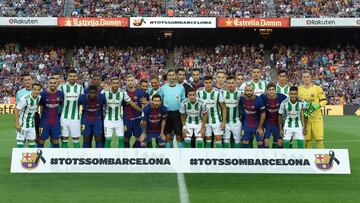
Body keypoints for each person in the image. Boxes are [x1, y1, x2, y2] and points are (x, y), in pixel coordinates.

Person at [103, 77, 142, 148]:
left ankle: (120, 156)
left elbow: (132, 103)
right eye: (113, 83)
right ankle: (107, 156)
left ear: (119, 84)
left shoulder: (123, 92)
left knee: (121, 139)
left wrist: (142, 111)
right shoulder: (104, 92)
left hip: (119, 120)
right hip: (108, 120)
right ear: (111, 84)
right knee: (108, 139)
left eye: (117, 83)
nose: (115, 85)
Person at [298, 71, 327, 148]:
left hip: (317, 118)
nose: (306, 78)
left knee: (319, 141)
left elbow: (324, 100)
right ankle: (308, 159)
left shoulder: (317, 88)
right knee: (307, 141)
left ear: (311, 78)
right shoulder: (299, 89)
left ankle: (322, 160)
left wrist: (317, 106)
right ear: (302, 78)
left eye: (307, 77)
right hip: (305, 119)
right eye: (304, 77)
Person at [197, 76, 226, 148]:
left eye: (210, 82)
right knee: (208, 139)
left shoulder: (218, 92)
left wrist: (223, 122)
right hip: (205, 121)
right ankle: (208, 157)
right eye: (206, 83)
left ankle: (220, 157)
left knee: (218, 138)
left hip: (216, 120)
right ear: (203, 83)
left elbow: (224, 108)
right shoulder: (199, 92)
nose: (208, 84)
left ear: (212, 82)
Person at [159, 69, 186, 148]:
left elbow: (183, 101)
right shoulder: (163, 88)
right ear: (167, 77)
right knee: (167, 136)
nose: (171, 77)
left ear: (175, 76)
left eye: (173, 75)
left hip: (178, 114)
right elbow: (160, 101)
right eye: (169, 75)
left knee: (179, 136)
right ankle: (169, 155)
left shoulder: (181, 88)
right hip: (167, 114)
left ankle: (181, 156)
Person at [58, 70, 84, 148]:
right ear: (68, 77)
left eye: (74, 76)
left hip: (75, 118)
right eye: (71, 76)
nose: (72, 78)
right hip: (64, 117)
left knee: (76, 139)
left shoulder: (80, 87)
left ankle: (76, 158)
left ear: (76, 77)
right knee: (64, 139)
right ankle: (64, 158)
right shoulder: (61, 87)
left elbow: (82, 101)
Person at [38, 77, 64, 148]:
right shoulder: (42, 94)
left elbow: (62, 105)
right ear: (48, 84)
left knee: (55, 140)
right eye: (51, 83)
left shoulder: (61, 94)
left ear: (57, 84)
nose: (52, 84)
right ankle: (38, 158)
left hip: (55, 121)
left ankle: (55, 157)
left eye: (54, 83)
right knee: (41, 140)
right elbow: (39, 105)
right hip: (44, 121)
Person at [124, 75, 149, 148]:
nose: (130, 82)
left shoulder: (140, 93)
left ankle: (135, 153)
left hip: (137, 119)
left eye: (132, 80)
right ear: (126, 82)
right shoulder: (123, 93)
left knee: (139, 139)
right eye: (128, 80)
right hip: (127, 119)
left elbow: (144, 107)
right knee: (126, 139)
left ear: (135, 82)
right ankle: (127, 155)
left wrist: (143, 118)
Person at [14, 83, 42, 148]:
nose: (36, 91)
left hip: (31, 124)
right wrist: (17, 123)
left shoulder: (39, 98)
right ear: (32, 89)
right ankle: (18, 157)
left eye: (38, 90)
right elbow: (16, 109)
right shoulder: (25, 99)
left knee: (32, 141)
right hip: (22, 124)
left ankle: (31, 158)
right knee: (20, 141)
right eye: (35, 89)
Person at [238, 84, 266, 148]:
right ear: (244, 91)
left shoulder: (258, 100)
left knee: (260, 142)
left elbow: (263, 113)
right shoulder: (242, 99)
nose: (249, 92)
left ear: (253, 91)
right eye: (247, 90)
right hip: (246, 124)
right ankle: (245, 157)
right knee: (245, 142)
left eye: (251, 90)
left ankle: (262, 157)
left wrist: (260, 127)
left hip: (257, 124)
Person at [260, 83, 287, 148]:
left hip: (277, 122)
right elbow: (255, 100)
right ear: (267, 91)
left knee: (280, 142)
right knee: (266, 141)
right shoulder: (263, 97)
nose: (271, 91)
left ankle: (280, 157)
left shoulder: (281, 97)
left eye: (273, 89)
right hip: (267, 122)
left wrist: (298, 98)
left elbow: (290, 100)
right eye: (269, 90)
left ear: (275, 90)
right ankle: (266, 156)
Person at [223, 76, 241, 148]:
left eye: (232, 83)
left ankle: (237, 157)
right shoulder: (222, 93)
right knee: (226, 141)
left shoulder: (240, 94)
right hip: (225, 122)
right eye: (229, 83)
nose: (231, 85)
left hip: (236, 121)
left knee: (237, 141)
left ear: (235, 83)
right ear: (226, 84)